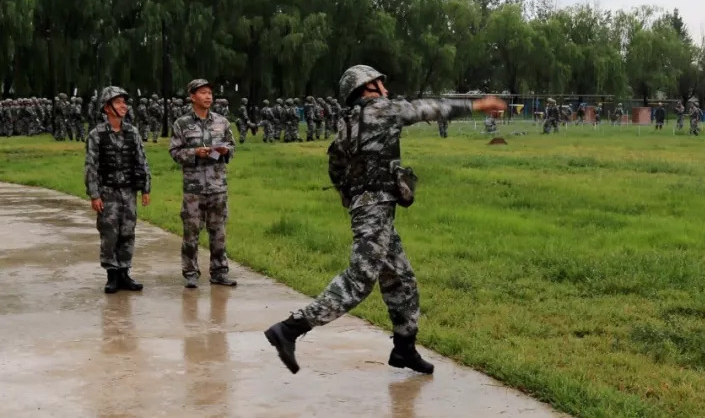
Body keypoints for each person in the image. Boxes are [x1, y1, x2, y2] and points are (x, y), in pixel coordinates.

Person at [263, 65, 505, 375]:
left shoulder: (348, 121)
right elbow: (428, 109)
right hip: (375, 210)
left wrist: (350, 196)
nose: (386, 89)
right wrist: (478, 104)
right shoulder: (383, 110)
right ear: (368, 88)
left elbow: (335, 164)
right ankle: (290, 329)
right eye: (380, 83)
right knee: (360, 279)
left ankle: (404, 348)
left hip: (369, 208)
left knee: (400, 278)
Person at [169, 79, 237, 289]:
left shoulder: (221, 122)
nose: (208, 97)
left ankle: (219, 271)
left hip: (218, 187)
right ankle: (190, 272)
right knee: (191, 231)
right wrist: (194, 153)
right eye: (203, 93)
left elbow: (232, 148)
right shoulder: (182, 124)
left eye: (210, 93)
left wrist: (224, 151)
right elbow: (174, 152)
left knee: (218, 230)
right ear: (192, 97)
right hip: (194, 189)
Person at [84, 86, 152, 294]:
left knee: (128, 232)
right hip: (108, 192)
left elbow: (142, 160)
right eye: (119, 102)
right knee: (109, 233)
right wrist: (94, 194)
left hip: (129, 192)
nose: (124, 106)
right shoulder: (97, 135)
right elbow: (91, 166)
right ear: (107, 107)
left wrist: (145, 188)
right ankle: (112, 274)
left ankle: (124, 272)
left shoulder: (132, 132)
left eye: (125, 102)